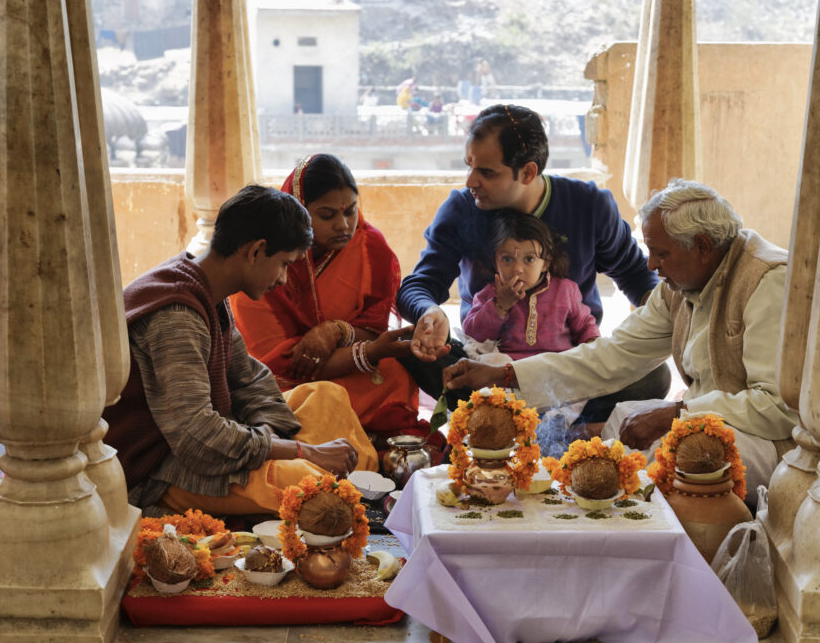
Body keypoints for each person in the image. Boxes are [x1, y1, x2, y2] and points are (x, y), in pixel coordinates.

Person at [444, 178, 798, 504]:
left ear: (703, 246)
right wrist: (503, 375)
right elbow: (611, 356)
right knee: (624, 417)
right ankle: (613, 520)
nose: (651, 265)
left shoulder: (766, 282)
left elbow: (776, 408)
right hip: (707, 418)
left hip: (772, 442)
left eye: (661, 253)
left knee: (677, 448)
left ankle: (654, 538)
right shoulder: (681, 283)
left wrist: (676, 413)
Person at [104, 185, 377, 517]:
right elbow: (197, 438)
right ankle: (346, 504)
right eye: (283, 264)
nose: (282, 279)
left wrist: (270, 437)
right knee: (310, 487)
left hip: (217, 439)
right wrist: (299, 451)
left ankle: (347, 491)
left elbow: (249, 378)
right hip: (162, 468)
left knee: (326, 397)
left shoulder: (208, 288)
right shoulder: (177, 317)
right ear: (256, 251)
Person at [397, 103, 667, 421]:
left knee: (654, 374)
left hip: (568, 367)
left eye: (486, 172)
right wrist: (430, 312)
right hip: (485, 364)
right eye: (468, 166)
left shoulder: (588, 205)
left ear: (527, 172)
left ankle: (523, 423)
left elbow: (637, 276)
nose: (470, 181)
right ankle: (542, 423)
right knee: (405, 344)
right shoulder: (462, 208)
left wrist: (669, 317)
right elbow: (419, 285)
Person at [230, 154, 425, 442]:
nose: (344, 225)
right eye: (327, 215)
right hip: (288, 381)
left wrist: (335, 331)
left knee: (394, 372)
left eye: (350, 211)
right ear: (298, 211)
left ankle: (352, 433)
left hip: (351, 367)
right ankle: (356, 435)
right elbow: (280, 362)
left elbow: (373, 327)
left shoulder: (371, 247)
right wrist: (366, 353)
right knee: (311, 399)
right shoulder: (264, 261)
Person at [462, 209, 598, 360]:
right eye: (507, 259)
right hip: (507, 368)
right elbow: (473, 335)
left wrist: (593, 345)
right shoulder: (491, 293)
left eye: (529, 259)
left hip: (558, 365)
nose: (517, 269)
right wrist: (500, 306)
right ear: (495, 262)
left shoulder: (565, 290)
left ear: (545, 263)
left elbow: (585, 326)